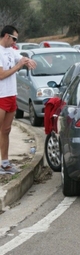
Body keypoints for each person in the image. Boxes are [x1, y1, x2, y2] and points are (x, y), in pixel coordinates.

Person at [0, 25, 36, 174]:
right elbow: (1, 75)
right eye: (14, 39)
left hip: (11, 95)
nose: (15, 42)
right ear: (7, 36)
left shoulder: (11, 50)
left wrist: (26, 61)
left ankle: (5, 163)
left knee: (6, 131)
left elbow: (20, 57)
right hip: (1, 96)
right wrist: (19, 65)